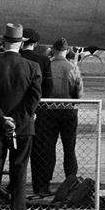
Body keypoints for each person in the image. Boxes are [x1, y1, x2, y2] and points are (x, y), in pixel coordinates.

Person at [0, 23, 42, 210]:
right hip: (23, 128)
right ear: (22, 43)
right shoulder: (33, 67)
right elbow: (34, 99)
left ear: (3, 42)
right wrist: (17, 120)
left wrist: (2, 119)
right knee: (20, 170)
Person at [32, 37, 83, 196]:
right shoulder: (72, 67)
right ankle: (71, 183)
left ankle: (42, 186)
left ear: (53, 50)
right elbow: (79, 92)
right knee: (69, 149)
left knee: (46, 149)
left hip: (47, 110)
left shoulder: (47, 66)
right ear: (67, 50)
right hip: (68, 110)